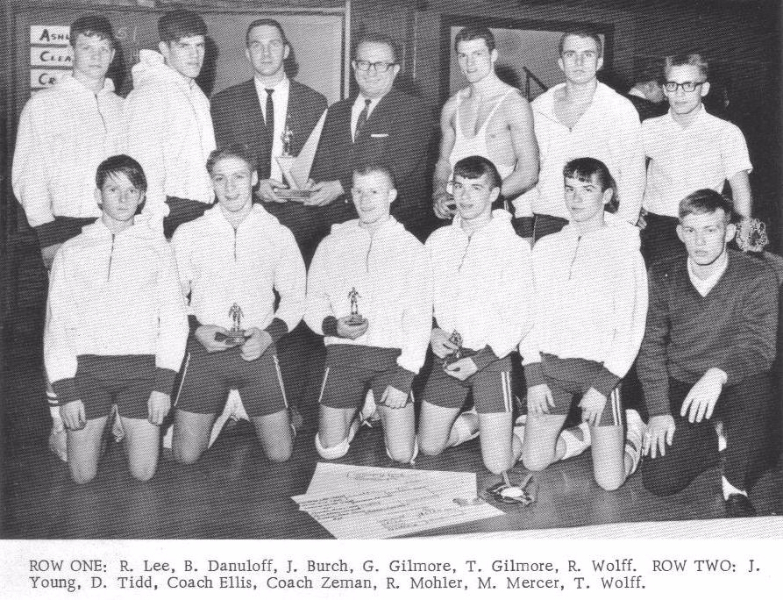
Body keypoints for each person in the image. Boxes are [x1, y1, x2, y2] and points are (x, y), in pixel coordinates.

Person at [12, 15, 126, 462]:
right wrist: (47, 234)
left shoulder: (122, 106)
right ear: (71, 51)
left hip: (117, 227)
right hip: (64, 228)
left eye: (103, 48)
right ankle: (60, 423)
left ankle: (112, 413)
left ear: (113, 54)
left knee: (114, 324)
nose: (95, 56)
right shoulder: (44, 105)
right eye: (86, 47)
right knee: (64, 330)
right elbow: (28, 175)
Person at [210, 18, 328, 424]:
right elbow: (221, 164)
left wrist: (311, 185)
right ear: (247, 53)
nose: (265, 52)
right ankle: (234, 399)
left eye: (273, 44)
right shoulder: (225, 103)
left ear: (286, 50)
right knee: (245, 303)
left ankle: (287, 402)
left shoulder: (315, 101)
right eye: (256, 45)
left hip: (301, 220)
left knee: (294, 311)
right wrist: (255, 186)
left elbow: (323, 160)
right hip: (247, 219)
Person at [44, 155, 188, 483]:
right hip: (89, 371)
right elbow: (58, 325)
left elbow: (174, 320)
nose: (123, 198)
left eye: (131, 190)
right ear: (98, 195)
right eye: (113, 189)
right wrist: (66, 393)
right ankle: (95, 427)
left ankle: (121, 422)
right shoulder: (71, 251)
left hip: (141, 371)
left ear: (142, 197)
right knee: (82, 475)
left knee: (144, 473)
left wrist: (163, 387)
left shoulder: (159, 248)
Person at [638, 189, 778, 517]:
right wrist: (658, 411)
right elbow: (650, 346)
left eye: (710, 230)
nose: (699, 241)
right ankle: (721, 438)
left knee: (758, 390)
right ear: (679, 233)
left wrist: (717, 374)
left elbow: (760, 349)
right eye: (691, 230)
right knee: (660, 480)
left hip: (734, 382)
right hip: (684, 383)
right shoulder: (663, 273)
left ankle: (735, 484)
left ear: (728, 232)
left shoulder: (757, 275)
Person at [518, 158, 648, 491]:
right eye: (570, 189)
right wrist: (534, 377)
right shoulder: (546, 247)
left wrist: (603, 387)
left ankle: (634, 430)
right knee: (533, 461)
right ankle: (586, 434)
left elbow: (631, 329)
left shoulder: (625, 250)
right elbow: (527, 315)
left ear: (607, 196)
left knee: (609, 481)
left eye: (587, 189)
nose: (576, 199)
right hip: (551, 373)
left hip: (598, 377)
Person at [170, 145, 306, 464]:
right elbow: (171, 297)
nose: (230, 188)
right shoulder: (189, 233)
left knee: (280, 455)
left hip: (255, 351)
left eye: (239, 177)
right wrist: (196, 329)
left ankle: (259, 410)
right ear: (211, 183)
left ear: (255, 178)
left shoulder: (277, 233)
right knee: (185, 456)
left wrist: (268, 336)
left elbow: (296, 297)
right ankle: (228, 407)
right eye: (220, 178)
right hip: (206, 351)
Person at [305, 164, 431, 463]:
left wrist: (405, 375)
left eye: (374, 191)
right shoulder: (332, 243)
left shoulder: (411, 248)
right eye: (359, 191)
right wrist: (332, 326)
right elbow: (313, 300)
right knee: (330, 450)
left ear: (391, 195)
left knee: (402, 454)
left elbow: (419, 317)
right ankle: (362, 412)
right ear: (350, 194)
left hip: (391, 360)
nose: (365, 199)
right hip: (344, 355)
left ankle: (377, 405)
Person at [419, 156, 533, 475]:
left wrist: (480, 360)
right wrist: (431, 331)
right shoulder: (437, 241)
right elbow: (420, 299)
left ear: (494, 194)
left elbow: (520, 317)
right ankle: (478, 420)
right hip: (450, 357)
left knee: (498, 465)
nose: (465, 196)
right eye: (459, 186)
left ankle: (521, 424)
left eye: (476, 188)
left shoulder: (512, 246)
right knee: (429, 447)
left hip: (491, 360)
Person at [307, 33, 433, 247]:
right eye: (364, 63)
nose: (371, 72)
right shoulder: (335, 111)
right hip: (338, 228)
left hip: (394, 226)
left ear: (395, 69)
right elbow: (324, 162)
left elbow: (397, 166)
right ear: (354, 66)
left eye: (381, 64)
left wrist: (340, 186)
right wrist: (313, 182)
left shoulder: (414, 110)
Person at [520, 29, 644, 241]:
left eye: (588, 54)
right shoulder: (538, 108)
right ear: (561, 62)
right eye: (571, 54)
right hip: (548, 222)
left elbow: (633, 175)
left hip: (601, 223)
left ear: (599, 62)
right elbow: (527, 169)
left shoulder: (620, 108)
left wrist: (624, 229)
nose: (579, 62)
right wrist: (525, 222)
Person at [641, 53, 753, 266]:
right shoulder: (648, 128)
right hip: (657, 231)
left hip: (706, 229)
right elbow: (628, 174)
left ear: (705, 88)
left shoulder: (725, 132)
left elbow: (741, 191)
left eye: (689, 85)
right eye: (672, 85)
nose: (680, 93)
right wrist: (632, 210)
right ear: (664, 89)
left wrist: (743, 237)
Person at [432, 26, 538, 239]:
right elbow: (443, 163)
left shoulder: (513, 104)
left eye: (477, 54)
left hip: (498, 214)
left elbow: (529, 173)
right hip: (457, 216)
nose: (469, 63)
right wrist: (440, 192)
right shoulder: (452, 106)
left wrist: (481, 200)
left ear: (493, 55)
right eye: (463, 55)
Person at [125, 9, 216, 239]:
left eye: (199, 45)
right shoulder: (150, 93)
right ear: (164, 49)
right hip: (168, 213)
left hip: (199, 208)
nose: (194, 54)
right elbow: (144, 167)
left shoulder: (196, 94)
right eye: (184, 46)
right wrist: (154, 226)